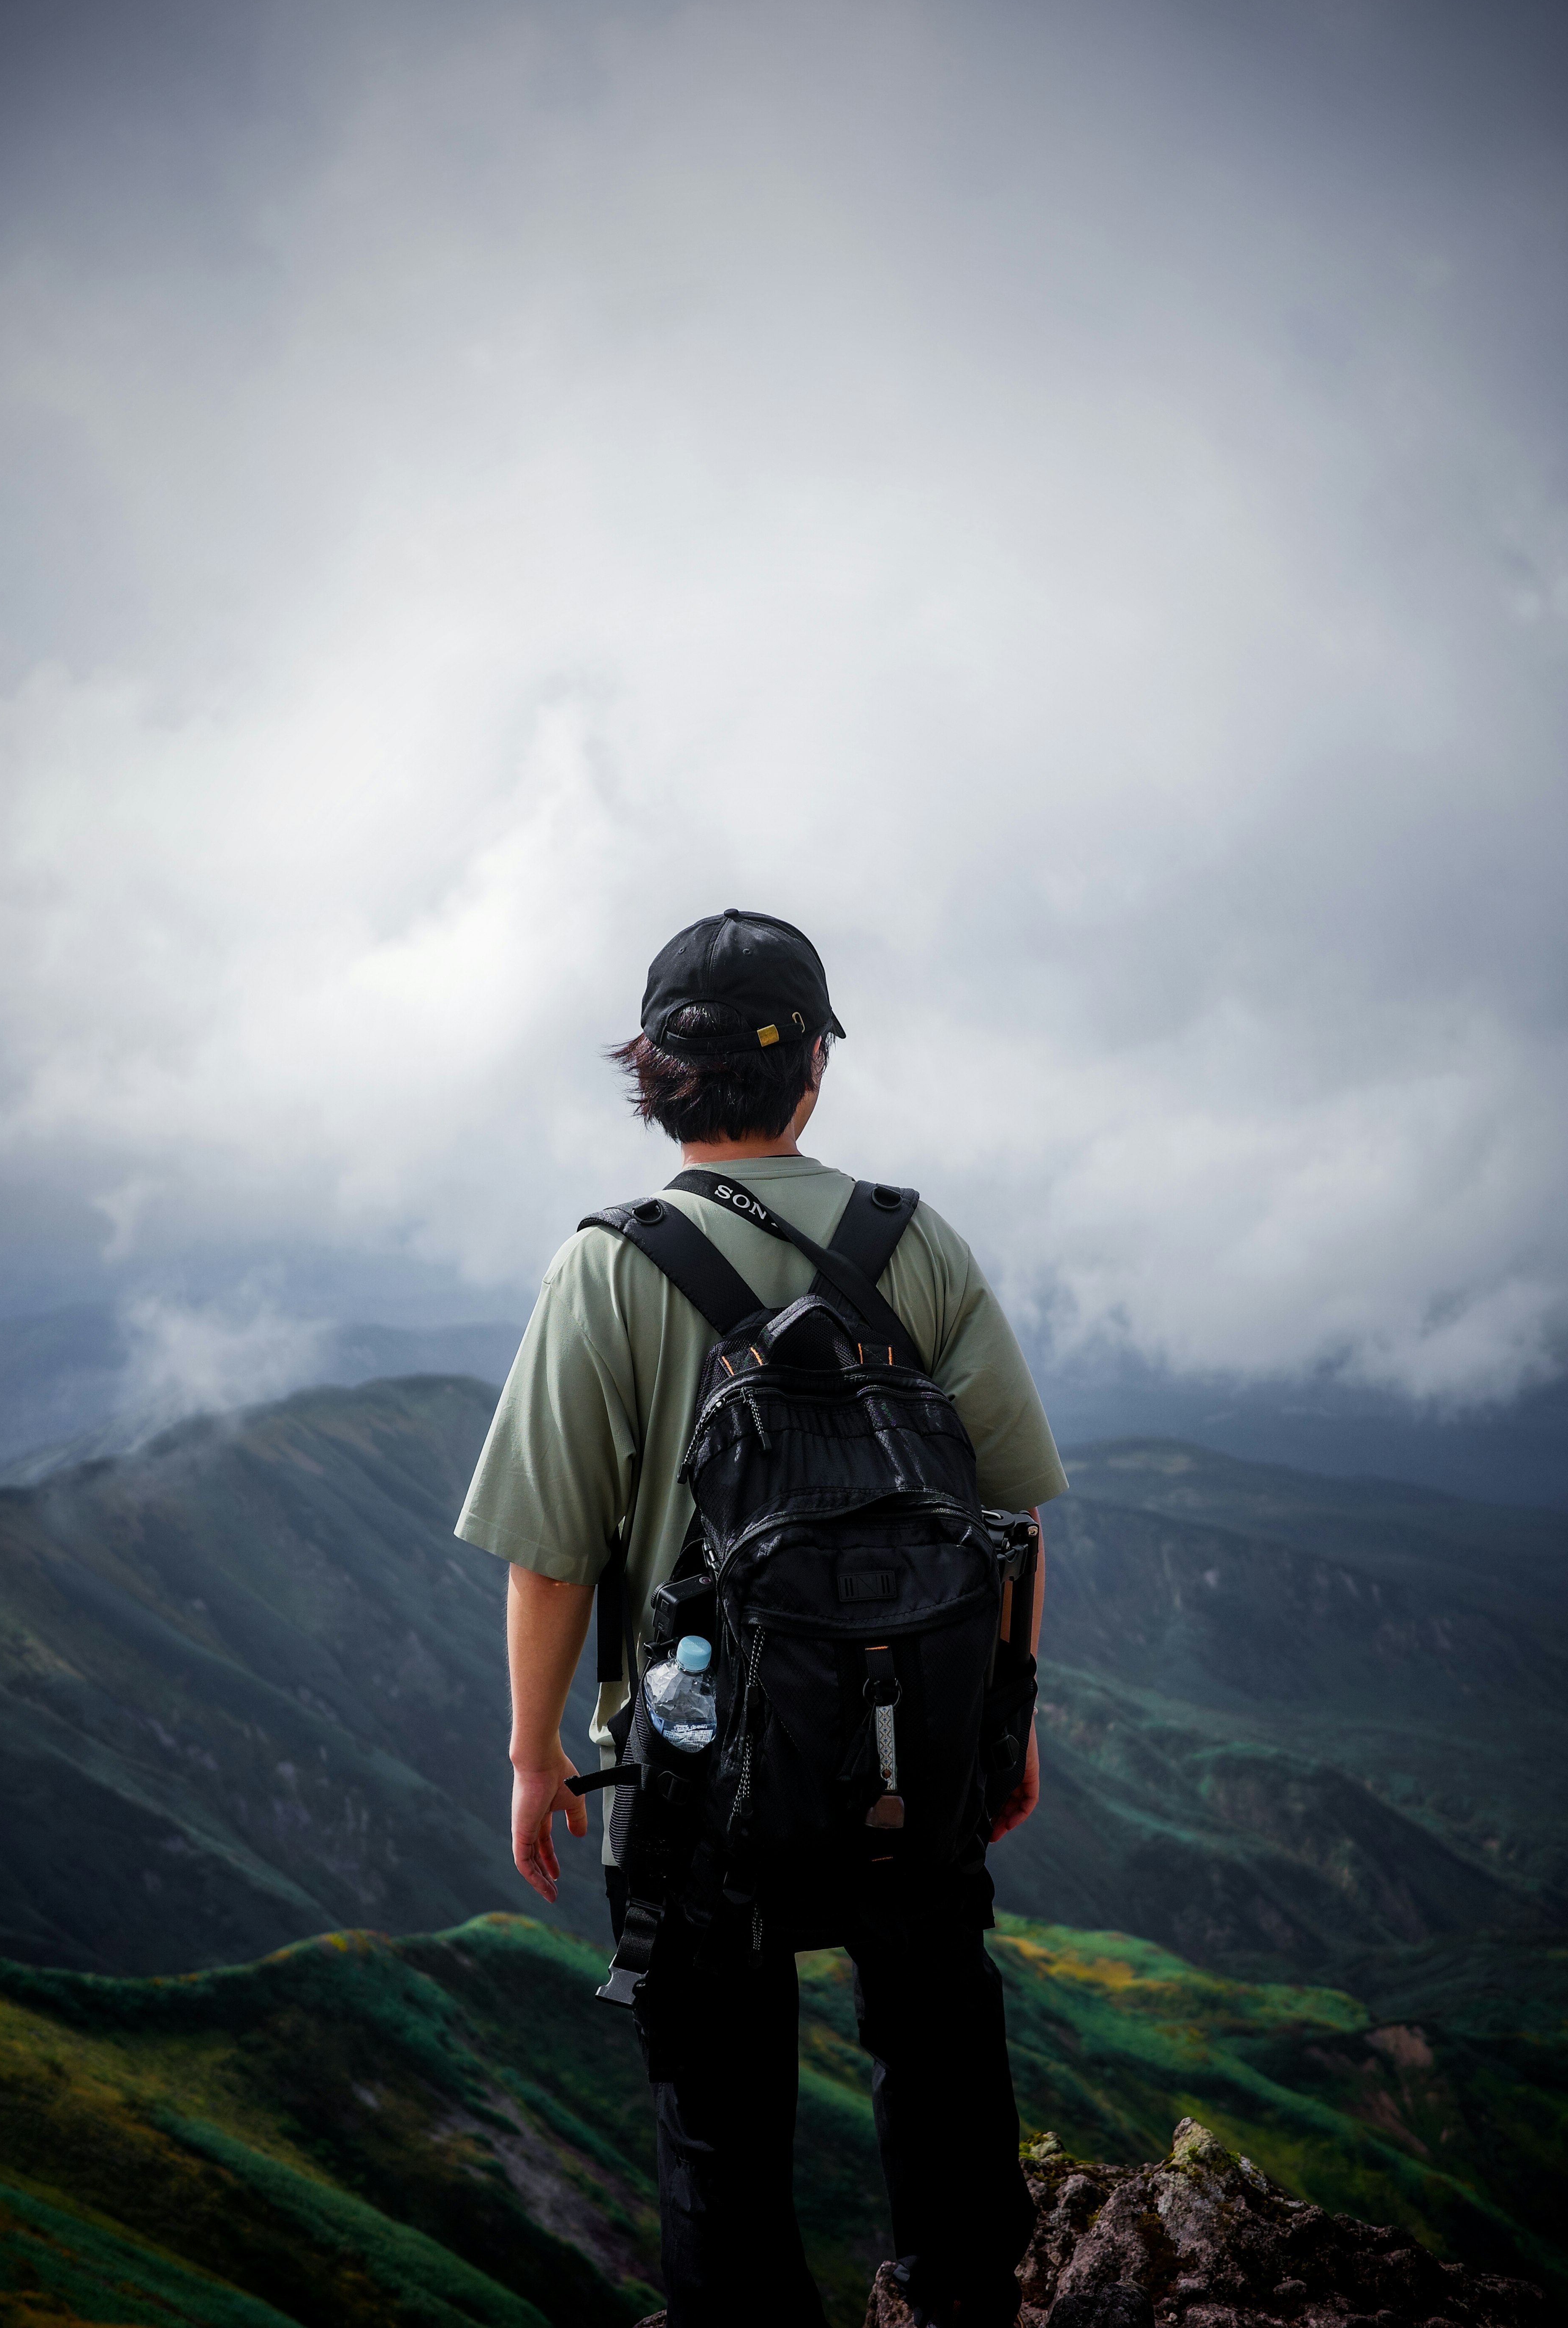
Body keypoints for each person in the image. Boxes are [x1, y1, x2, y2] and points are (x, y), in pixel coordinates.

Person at [455, 909, 1068, 2328]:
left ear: (655, 1074)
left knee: (719, 2113)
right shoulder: (920, 1249)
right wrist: (1005, 1720)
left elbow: (550, 1559)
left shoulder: (607, 1268)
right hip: (917, 1740)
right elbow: (1013, 1518)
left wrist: (534, 1754)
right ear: (814, 1073)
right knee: (939, 2038)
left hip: (691, 1770)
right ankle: (963, 2293)